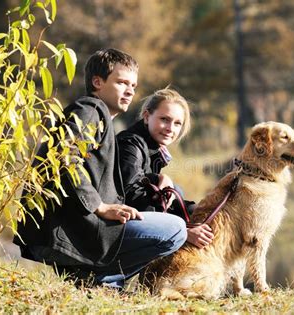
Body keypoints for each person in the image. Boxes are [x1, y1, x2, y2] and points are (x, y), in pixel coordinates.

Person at [13, 49, 187, 289]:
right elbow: (63, 158)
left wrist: (156, 179)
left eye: (133, 86)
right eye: (122, 82)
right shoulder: (90, 110)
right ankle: (98, 280)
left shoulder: (100, 117)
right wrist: (99, 206)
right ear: (98, 82)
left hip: (80, 227)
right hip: (77, 229)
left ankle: (100, 281)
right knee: (176, 229)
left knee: (173, 218)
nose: (129, 91)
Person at [117, 88, 214, 249]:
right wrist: (184, 231)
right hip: (115, 229)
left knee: (182, 197)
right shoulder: (130, 145)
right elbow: (132, 198)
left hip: (133, 220)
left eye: (177, 123)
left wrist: (200, 211)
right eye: (164, 119)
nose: (170, 128)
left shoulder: (153, 149)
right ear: (147, 117)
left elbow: (152, 192)